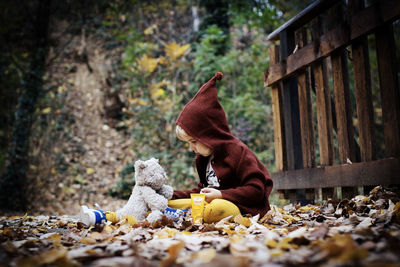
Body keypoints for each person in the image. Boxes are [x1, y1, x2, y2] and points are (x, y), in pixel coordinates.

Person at [168, 72, 273, 222]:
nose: (192, 148)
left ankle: (203, 214)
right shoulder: (204, 158)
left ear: (210, 134)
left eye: (194, 141)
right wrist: (169, 193)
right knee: (167, 203)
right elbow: (201, 191)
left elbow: (256, 190)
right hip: (212, 202)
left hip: (240, 207)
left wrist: (221, 195)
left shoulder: (238, 151)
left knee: (216, 208)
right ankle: (178, 211)